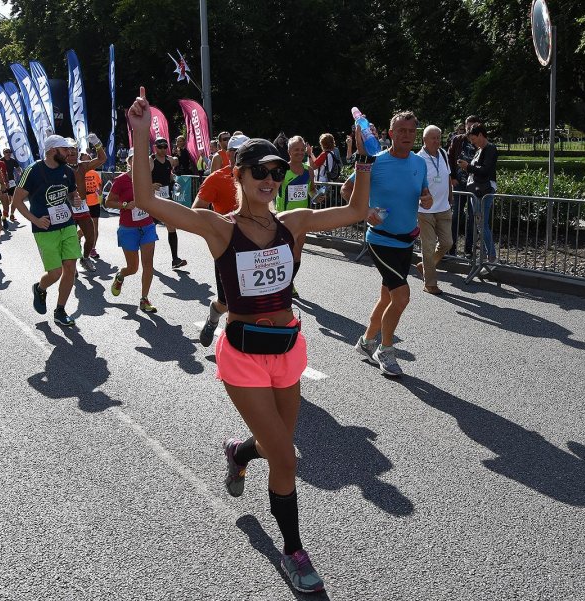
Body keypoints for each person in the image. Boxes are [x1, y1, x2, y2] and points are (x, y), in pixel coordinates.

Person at [126, 87, 372, 594]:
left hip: (288, 350)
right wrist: (138, 137)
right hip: (242, 355)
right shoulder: (220, 229)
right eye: (258, 170)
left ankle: (240, 452)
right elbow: (148, 199)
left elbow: (355, 210)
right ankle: (293, 552)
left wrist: (365, 155)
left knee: (272, 445)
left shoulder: (294, 224)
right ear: (236, 174)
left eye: (276, 171)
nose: (269, 179)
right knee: (288, 458)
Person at [343, 110, 433, 377]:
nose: (406, 136)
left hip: (406, 241)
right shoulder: (376, 162)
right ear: (390, 134)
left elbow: (423, 193)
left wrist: (426, 199)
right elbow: (347, 190)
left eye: (411, 131)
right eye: (401, 131)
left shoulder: (419, 163)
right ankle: (386, 349)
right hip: (381, 240)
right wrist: (368, 209)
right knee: (402, 296)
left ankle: (367, 341)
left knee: (387, 297)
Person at [12, 135, 83, 327]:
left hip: (67, 225)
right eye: (65, 149)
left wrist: (74, 200)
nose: (69, 153)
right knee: (55, 272)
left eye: (69, 150)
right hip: (45, 229)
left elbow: (71, 193)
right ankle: (40, 288)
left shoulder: (67, 170)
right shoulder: (33, 171)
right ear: (52, 150)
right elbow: (16, 201)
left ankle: (60, 310)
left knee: (70, 267)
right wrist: (35, 219)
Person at [192, 133, 249, 345]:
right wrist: (228, 221)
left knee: (247, 301)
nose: (243, 155)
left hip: (255, 248)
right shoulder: (217, 178)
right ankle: (213, 318)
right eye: (237, 151)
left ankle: (233, 346)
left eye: (247, 150)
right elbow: (197, 211)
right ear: (228, 154)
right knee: (226, 302)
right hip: (226, 249)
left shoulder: (260, 177)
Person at [104, 148, 159, 313]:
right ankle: (120, 275)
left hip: (147, 226)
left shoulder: (147, 179)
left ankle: (144, 299)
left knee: (148, 265)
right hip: (128, 229)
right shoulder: (121, 180)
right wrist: (125, 205)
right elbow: (108, 202)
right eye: (135, 159)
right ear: (129, 162)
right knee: (133, 268)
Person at [275, 136, 317, 299]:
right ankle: (282, 284)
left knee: (297, 253)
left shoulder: (309, 170)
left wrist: (316, 196)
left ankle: (289, 283)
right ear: (289, 152)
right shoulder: (282, 170)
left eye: (301, 149)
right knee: (284, 254)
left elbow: (311, 190)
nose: (299, 153)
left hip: (303, 219)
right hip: (285, 219)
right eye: (296, 150)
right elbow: (273, 192)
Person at [415, 125, 454, 295]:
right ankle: (430, 283)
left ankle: (426, 265)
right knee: (428, 246)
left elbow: (447, 177)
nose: (437, 141)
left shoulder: (444, 154)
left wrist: (450, 197)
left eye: (439, 137)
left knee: (447, 243)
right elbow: (414, 184)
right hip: (425, 211)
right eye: (433, 138)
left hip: (444, 207)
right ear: (424, 140)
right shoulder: (418, 159)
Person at [458, 124, 498, 262]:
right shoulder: (480, 150)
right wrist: (467, 168)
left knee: (482, 224)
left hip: (484, 190)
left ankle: (491, 256)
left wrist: (468, 166)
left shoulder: (490, 148)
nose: (472, 142)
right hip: (477, 191)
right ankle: (489, 256)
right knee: (480, 224)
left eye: (474, 139)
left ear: (481, 135)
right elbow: (478, 170)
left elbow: (485, 170)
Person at [67, 134, 106, 271]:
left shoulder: (82, 166)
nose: (72, 153)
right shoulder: (59, 167)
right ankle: (71, 267)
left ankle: (85, 258)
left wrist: (97, 143)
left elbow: (102, 158)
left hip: (82, 206)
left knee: (90, 236)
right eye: (68, 150)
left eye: (74, 150)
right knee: (70, 239)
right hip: (67, 208)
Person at [447, 115, 483, 257]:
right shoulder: (458, 140)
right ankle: (451, 248)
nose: (469, 130)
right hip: (459, 184)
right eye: (468, 127)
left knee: (472, 217)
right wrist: (452, 177)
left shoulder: (481, 142)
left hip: (474, 186)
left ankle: (469, 250)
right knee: (455, 216)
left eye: (472, 127)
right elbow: (449, 158)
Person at [151, 136, 187, 269]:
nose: (163, 149)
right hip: (153, 200)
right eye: (160, 147)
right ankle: (148, 260)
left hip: (166, 198)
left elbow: (170, 172)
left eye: (165, 147)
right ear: (155, 147)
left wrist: (173, 181)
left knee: (171, 227)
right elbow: (143, 178)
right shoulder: (151, 160)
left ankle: (175, 259)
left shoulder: (169, 160)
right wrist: (150, 185)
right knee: (150, 230)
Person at [82, 152, 105, 258]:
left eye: (88, 160)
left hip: (94, 202)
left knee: (95, 226)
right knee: (85, 227)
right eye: (84, 160)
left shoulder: (94, 173)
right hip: (82, 204)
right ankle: (78, 237)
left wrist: (99, 191)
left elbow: (100, 187)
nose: (86, 162)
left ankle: (92, 248)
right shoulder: (78, 172)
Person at [1, 148, 22, 223]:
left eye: (10, 152)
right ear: (3, 153)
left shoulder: (13, 160)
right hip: (3, 182)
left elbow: (18, 168)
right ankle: (4, 215)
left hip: (11, 181)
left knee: (13, 199)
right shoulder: (1, 160)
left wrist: (21, 174)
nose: (8, 153)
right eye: (7, 152)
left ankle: (12, 214)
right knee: (6, 201)